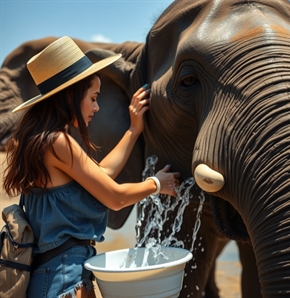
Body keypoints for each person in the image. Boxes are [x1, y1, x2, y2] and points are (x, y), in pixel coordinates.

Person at [2, 36, 180, 298]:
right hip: (63, 277)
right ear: (70, 96)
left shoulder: (41, 139)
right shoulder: (58, 141)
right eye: (93, 97)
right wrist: (156, 184)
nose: (96, 107)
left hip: (51, 273)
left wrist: (133, 130)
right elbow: (114, 197)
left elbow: (102, 176)